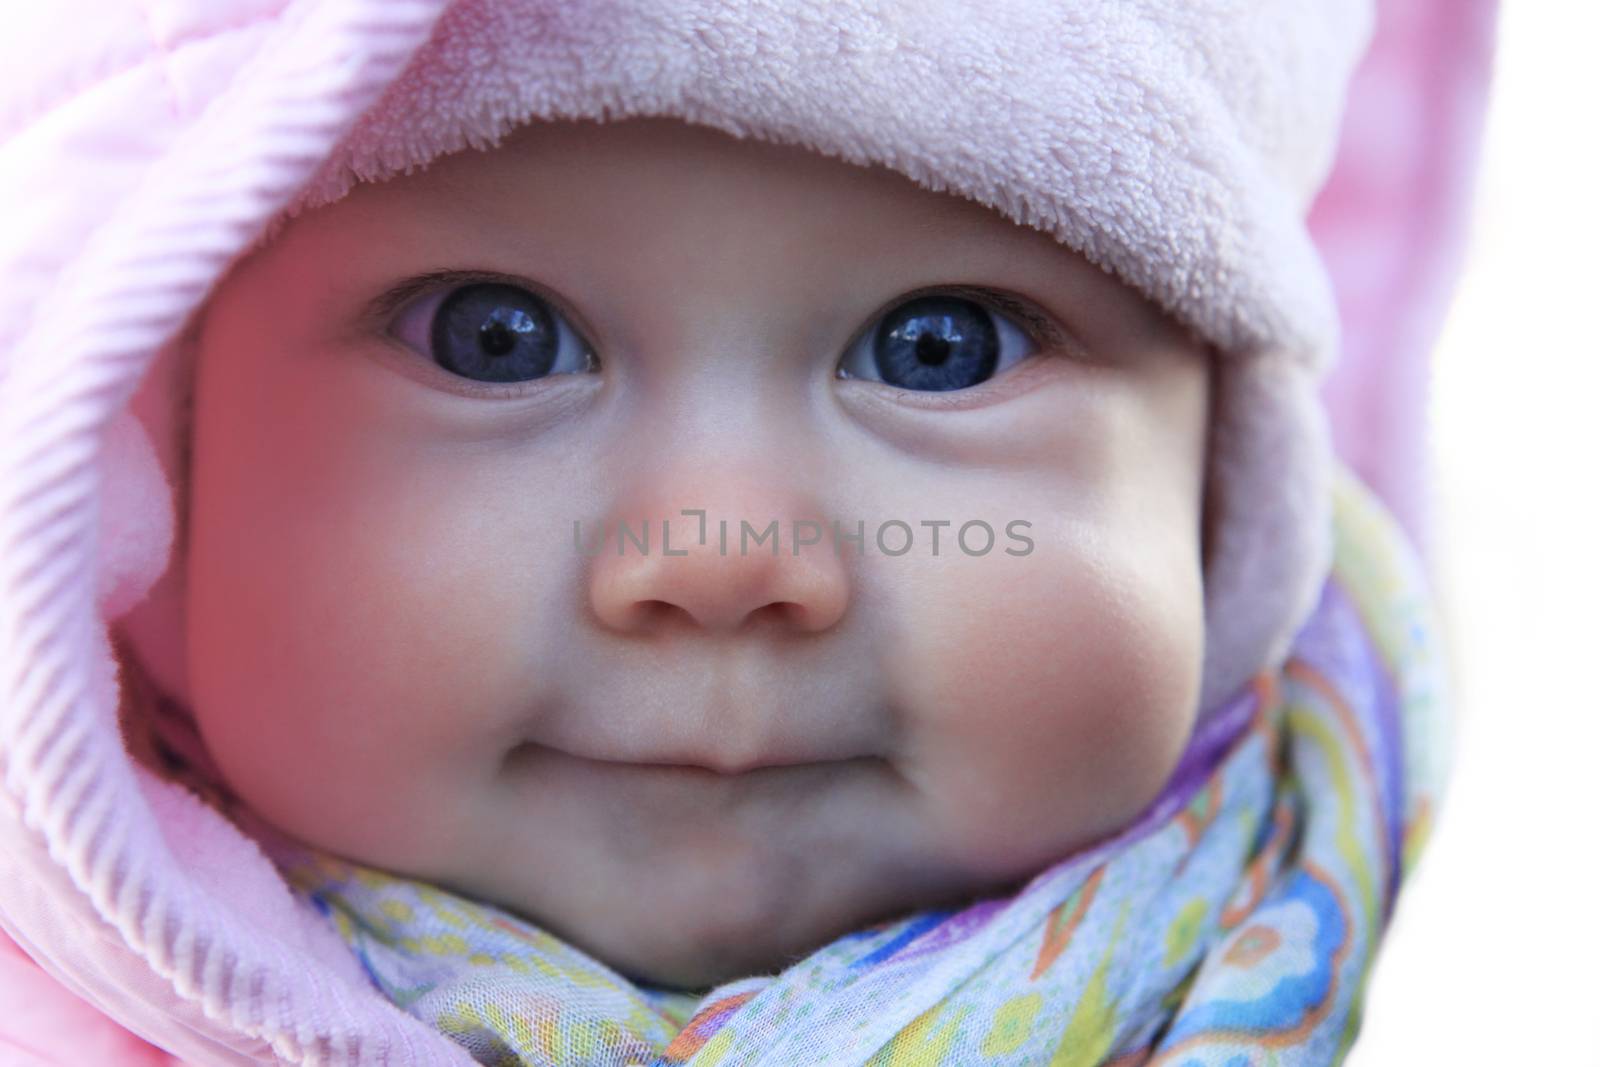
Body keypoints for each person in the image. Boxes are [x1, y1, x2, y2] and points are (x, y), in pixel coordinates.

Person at [0, 1, 1461, 1064]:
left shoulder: (1313, 946)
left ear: (1224, 501)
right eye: (497, 340)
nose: (720, 561)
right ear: (145, 452)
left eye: (942, 347)